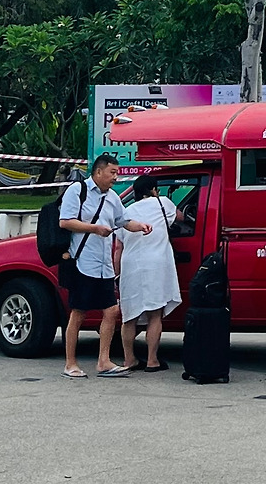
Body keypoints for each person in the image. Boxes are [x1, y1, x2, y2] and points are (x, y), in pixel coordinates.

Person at [58, 153, 152, 379]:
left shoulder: (113, 198)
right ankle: (70, 363)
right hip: (83, 262)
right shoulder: (77, 190)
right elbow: (65, 221)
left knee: (111, 311)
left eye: (117, 173)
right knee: (79, 313)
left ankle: (104, 361)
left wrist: (140, 226)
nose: (115, 177)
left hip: (104, 265)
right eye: (112, 173)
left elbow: (123, 221)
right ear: (98, 172)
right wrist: (95, 229)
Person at [115, 174, 182, 372]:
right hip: (156, 265)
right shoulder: (164, 204)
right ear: (153, 189)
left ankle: (129, 360)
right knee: (155, 315)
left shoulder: (126, 211)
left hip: (131, 266)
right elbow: (182, 217)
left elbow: (118, 248)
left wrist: (117, 276)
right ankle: (153, 360)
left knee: (129, 317)